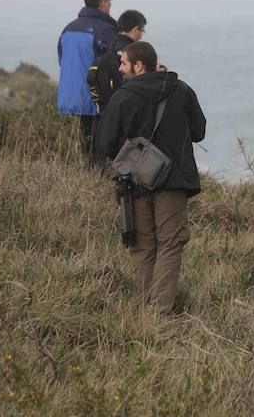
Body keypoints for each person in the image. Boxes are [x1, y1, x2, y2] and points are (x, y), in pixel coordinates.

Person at [95, 41, 206, 312]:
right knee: (170, 244)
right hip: (173, 181)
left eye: (124, 63)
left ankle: (146, 311)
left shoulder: (122, 97)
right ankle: (158, 311)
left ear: (139, 65)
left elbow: (104, 144)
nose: (120, 69)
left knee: (143, 246)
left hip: (134, 182)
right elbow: (199, 131)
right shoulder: (181, 90)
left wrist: (130, 157)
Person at [57, 0, 119, 160]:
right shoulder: (105, 30)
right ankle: (99, 175)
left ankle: (90, 173)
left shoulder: (68, 28)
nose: (110, 4)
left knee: (88, 139)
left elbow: (62, 60)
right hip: (97, 96)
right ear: (102, 3)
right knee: (103, 141)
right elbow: (118, 63)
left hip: (74, 95)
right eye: (109, 0)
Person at [87, 9, 146, 112]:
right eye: (142, 31)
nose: (141, 36)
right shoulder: (131, 50)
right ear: (136, 29)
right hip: (124, 105)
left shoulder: (110, 45)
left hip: (107, 106)